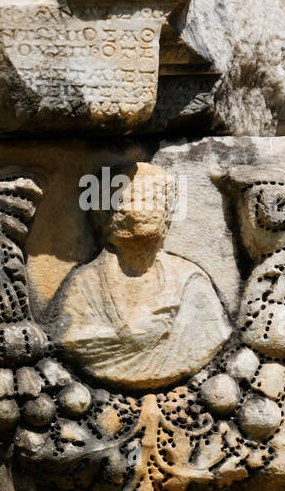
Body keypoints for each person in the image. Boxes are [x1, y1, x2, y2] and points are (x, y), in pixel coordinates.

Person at [50, 163, 230, 389]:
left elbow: (209, 334)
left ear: (168, 214)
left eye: (152, 198)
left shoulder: (191, 282)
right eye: (127, 199)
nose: (141, 209)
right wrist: (132, 337)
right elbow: (71, 339)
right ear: (104, 215)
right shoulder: (84, 283)